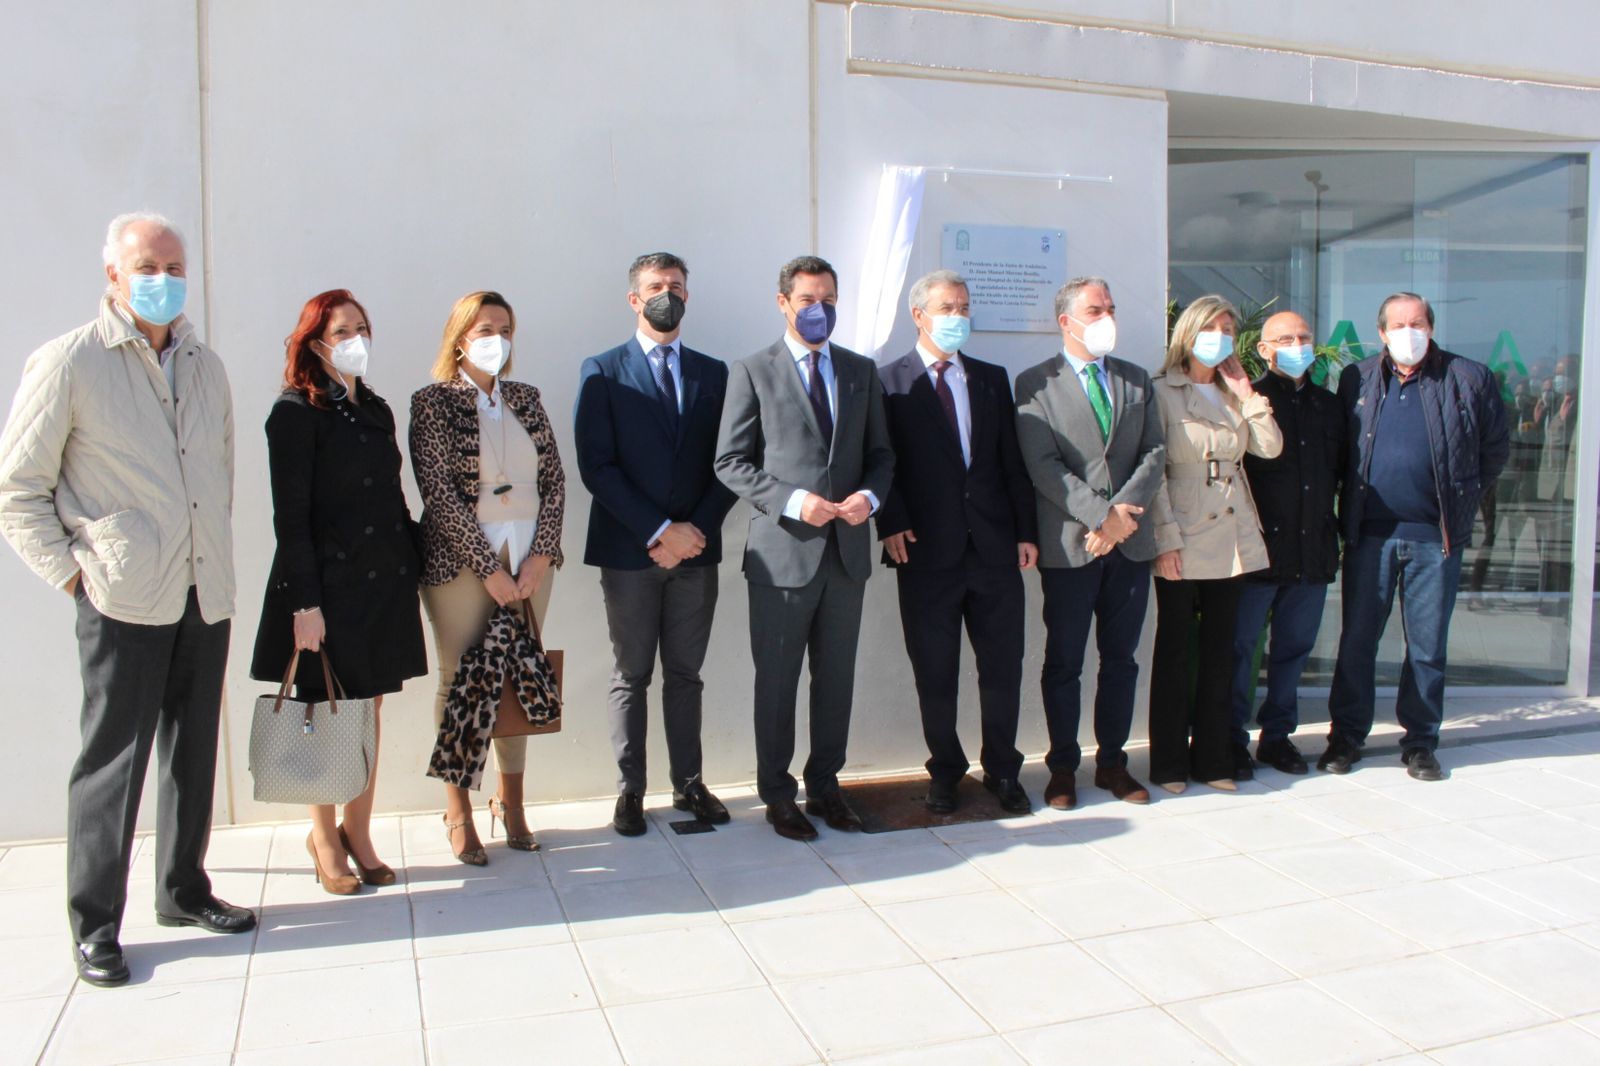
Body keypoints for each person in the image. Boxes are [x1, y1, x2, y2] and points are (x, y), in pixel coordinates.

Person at [0, 212, 254, 988]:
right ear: (113, 273)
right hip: (121, 597)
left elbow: (219, 472)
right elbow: (18, 491)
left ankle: (182, 889)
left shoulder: (204, 364)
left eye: (175, 265)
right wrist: (79, 575)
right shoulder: (70, 362)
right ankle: (95, 924)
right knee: (112, 760)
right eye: (148, 265)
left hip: (201, 589)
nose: (165, 279)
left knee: (193, 750)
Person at [250, 290, 427, 893]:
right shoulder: (296, 412)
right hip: (326, 589)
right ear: (315, 341)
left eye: (362, 327)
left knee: (367, 714)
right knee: (324, 713)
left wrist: (423, 558)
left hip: (383, 586)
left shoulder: (374, 408)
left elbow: (393, 499)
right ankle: (323, 837)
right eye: (343, 329)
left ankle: (359, 829)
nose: (356, 338)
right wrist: (305, 604)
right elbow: (289, 517)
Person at [715, 255, 895, 841]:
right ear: (783, 303)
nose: (820, 311)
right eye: (809, 300)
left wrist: (869, 495)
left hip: (846, 555)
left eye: (830, 301)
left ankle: (826, 787)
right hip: (783, 556)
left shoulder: (859, 371)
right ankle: (777, 795)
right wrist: (794, 501)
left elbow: (882, 455)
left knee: (835, 678)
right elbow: (730, 462)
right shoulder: (752, 370)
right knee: (778, 681)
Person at [574, 253, 737, 838]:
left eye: (676, 286)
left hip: (696, 553)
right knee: (631, 673)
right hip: (630, 553)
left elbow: (732, 461)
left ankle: (689, 783)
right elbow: (598, 466)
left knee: (686, 675)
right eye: (655, 286)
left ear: (688, 296)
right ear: (633, 299)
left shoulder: (715, 374)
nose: (666, 294)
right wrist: (657, 531)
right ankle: (630, 790)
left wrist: (692, 533)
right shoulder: (603, 370)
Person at [1323, 293, 1508, 780]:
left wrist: (1463, 496)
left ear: (1431, 326)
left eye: (1419, 322)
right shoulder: (1356, 379)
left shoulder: (1468, 378)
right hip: (1371, 537)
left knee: (1427, 646)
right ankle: (1345, 737)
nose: (1410, 332)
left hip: (1435, 537)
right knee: (1358, 640)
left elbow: (1494, 449)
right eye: (1400, 324)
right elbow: (1340, 450)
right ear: (1382, 332)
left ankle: (1421, 741)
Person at [876, 270, 1040, 815]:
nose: (959, 318)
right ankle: (945, 770)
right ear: (919, 314)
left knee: (1002, 667)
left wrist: (1025, 532)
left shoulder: (992, 379)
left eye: (965, 308)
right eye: (948, 308)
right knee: (936, 671)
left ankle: (1002, 769)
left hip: (994, 550)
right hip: (925, 552)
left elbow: (1011, 464)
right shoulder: (888, 382)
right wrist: (890, 520)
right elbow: (881, 462)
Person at [410, 291, 565, 860]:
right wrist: (485, 568)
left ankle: (513, 801)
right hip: (460, 562)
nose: (495, 337)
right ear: (459, 336)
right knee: (461, 681)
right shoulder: (432, 402)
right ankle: (458, 809)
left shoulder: (526, 397)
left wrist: (542, 553)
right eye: (483, 328)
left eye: (503, 327)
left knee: (520, 673)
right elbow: (438, 493)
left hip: (529, 560)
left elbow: (556, 481)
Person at [1015, 276, 1166, 810]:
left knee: (1120, 660)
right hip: (1071, 547)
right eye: (1094, 310)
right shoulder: (1035, 382)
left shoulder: (1135, 379)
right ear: (1066, 321)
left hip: (1130, 546)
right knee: (1065, 662)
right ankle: (1062, 770)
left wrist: (1121, 520)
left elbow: (1153, 453)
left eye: (1110, 307)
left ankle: (1113, 765)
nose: (1106, 317)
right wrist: (1102, 518)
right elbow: (1042, 465)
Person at [1147, 296, 1282, 793]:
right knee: (1175, 649)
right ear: (1190, 333)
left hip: (1232, 532)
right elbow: (1154, 474)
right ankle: (1167, 764)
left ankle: (1213, 760)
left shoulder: (1232, 392)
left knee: (1222, 650)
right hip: (1182, 531)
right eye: (1212, 327)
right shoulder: (1161, 391)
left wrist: (1247, 393)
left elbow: (1269, 447)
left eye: (1228, 328)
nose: (1221, 336)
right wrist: (1165, 538)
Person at [1229, 311, 1344, 777]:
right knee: (1240, 649)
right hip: (1259, 553)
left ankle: (1277, 737)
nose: (1297, 345)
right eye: (1286, 338)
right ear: (1264, 349)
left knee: (1294, 648)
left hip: (1311, 551)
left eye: (1304, 337)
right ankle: (1232, 738)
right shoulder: (1248, 400)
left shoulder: (1331, 406)